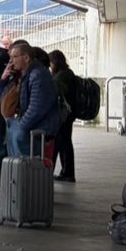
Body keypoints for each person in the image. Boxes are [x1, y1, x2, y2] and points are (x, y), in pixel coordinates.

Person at [0, 40, 59, 196]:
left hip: (35, 131)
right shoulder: (22, 75)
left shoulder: (38, 75)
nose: (11, 61)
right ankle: (21, 194)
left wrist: (20, 126)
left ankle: (27, 195)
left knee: (27, 164)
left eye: (14, 57)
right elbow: (2, 97)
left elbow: (37, 107)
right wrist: (4, 78)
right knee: (19, 163)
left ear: (26, 58)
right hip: (25, 128)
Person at [47, 49, 79, 183]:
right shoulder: (68, 73)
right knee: (65, 142)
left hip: (63, 114)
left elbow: (56, 91)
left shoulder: (61, 76)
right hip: (69, 114)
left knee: (61, 142)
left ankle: (62, 172)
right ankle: (66, 172)